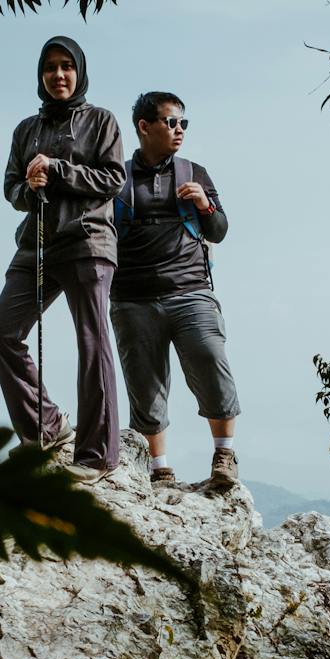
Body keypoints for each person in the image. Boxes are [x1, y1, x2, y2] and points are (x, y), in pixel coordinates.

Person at [0, 36, 126, 483]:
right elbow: (10, 189)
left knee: (92, 340)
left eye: (67, 66)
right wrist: (29, 186)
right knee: (1, 331)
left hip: (87, 240)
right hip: (38, 244)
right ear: (41, 75)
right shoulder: (26, 129)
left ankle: (98, 454)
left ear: (79, 71)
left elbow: (113, 179)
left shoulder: (101, 121)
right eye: (50, 68)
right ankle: (46, 427)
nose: (59, 75)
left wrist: (59, 170)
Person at [109, 91, 240, 491]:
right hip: (132, 295)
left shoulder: (194, 172)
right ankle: (159, 469)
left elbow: (219, 230)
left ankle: (224, 455)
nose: (179, 129)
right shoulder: (117, 177)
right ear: (144, 127)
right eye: (171, 122)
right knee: (144, 385)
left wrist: (205, 204)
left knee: (210, 359)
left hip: (191, 289)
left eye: (183, 123)